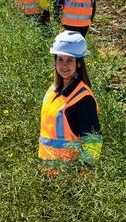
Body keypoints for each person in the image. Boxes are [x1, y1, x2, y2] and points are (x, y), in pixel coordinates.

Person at [39, 30, 102, 175]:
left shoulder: (84, 99)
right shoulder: (52, 91)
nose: (64, 65)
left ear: (79, 63)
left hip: (69, 178)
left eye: (70, 60)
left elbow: (93, 142)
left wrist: (82, 177)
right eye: (60, 59)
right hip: (47, 173)